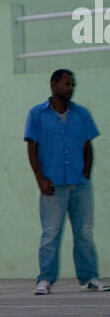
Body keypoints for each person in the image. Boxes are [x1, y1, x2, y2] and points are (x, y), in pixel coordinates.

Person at [24, 68, 109, 294]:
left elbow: (87, 146)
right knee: (51, 233)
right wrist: (40, 179)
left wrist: (87, 174)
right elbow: (32, 148)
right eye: (67, 84)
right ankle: (45, 280)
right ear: (53, 85)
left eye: (72, 84)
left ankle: (89, 277)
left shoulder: (82, 114)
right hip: (52, 184)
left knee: (84, 232)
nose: (71, 88)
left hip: (80, 184)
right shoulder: (37, 114)